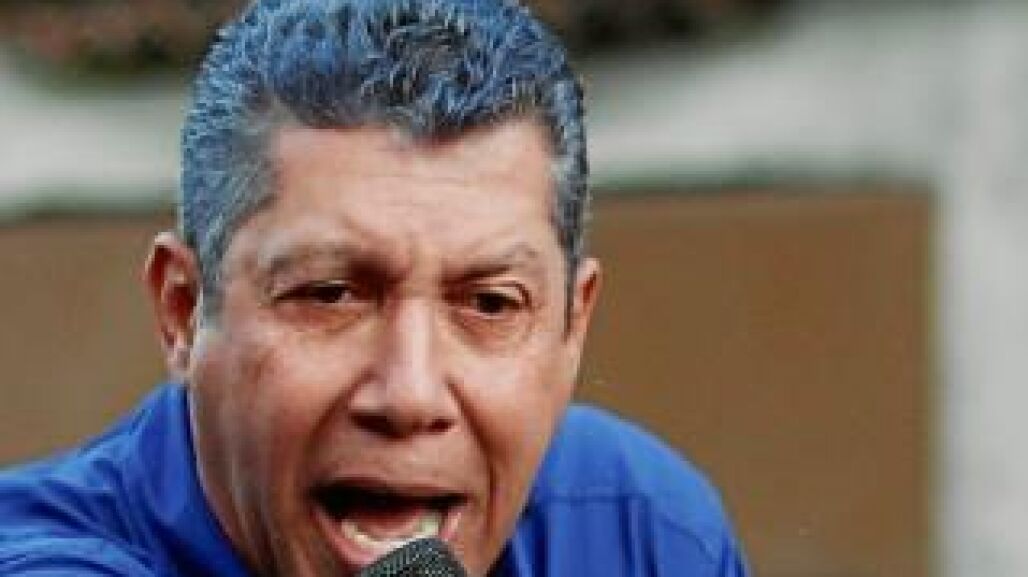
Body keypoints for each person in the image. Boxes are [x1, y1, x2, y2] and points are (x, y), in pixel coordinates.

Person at [0, 0, 749, 575]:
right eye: (330, 295)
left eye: (490, 304)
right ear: (184, 310)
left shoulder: (638, 532)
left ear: (571, 328)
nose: (411, 394)